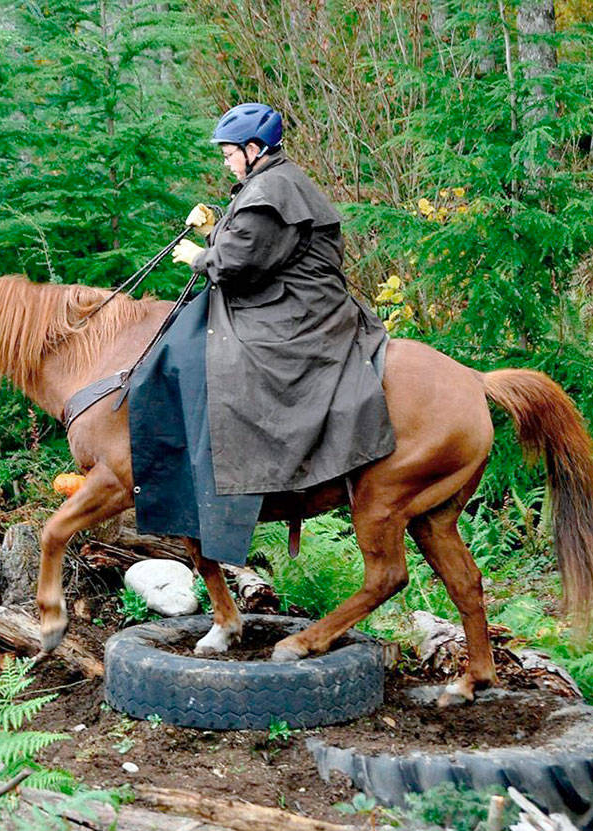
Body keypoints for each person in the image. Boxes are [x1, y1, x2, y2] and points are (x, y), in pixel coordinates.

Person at [127, 102, 396, 566]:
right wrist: (214, 228)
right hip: (280, 295)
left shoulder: (271, 188)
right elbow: (248, 242)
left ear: (254, 149)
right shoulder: (271, 182)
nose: (225, 160)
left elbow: (236, 265)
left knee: (227, 361)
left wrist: (196, 255)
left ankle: (257, 476)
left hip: (297, 311)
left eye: (229, 152)